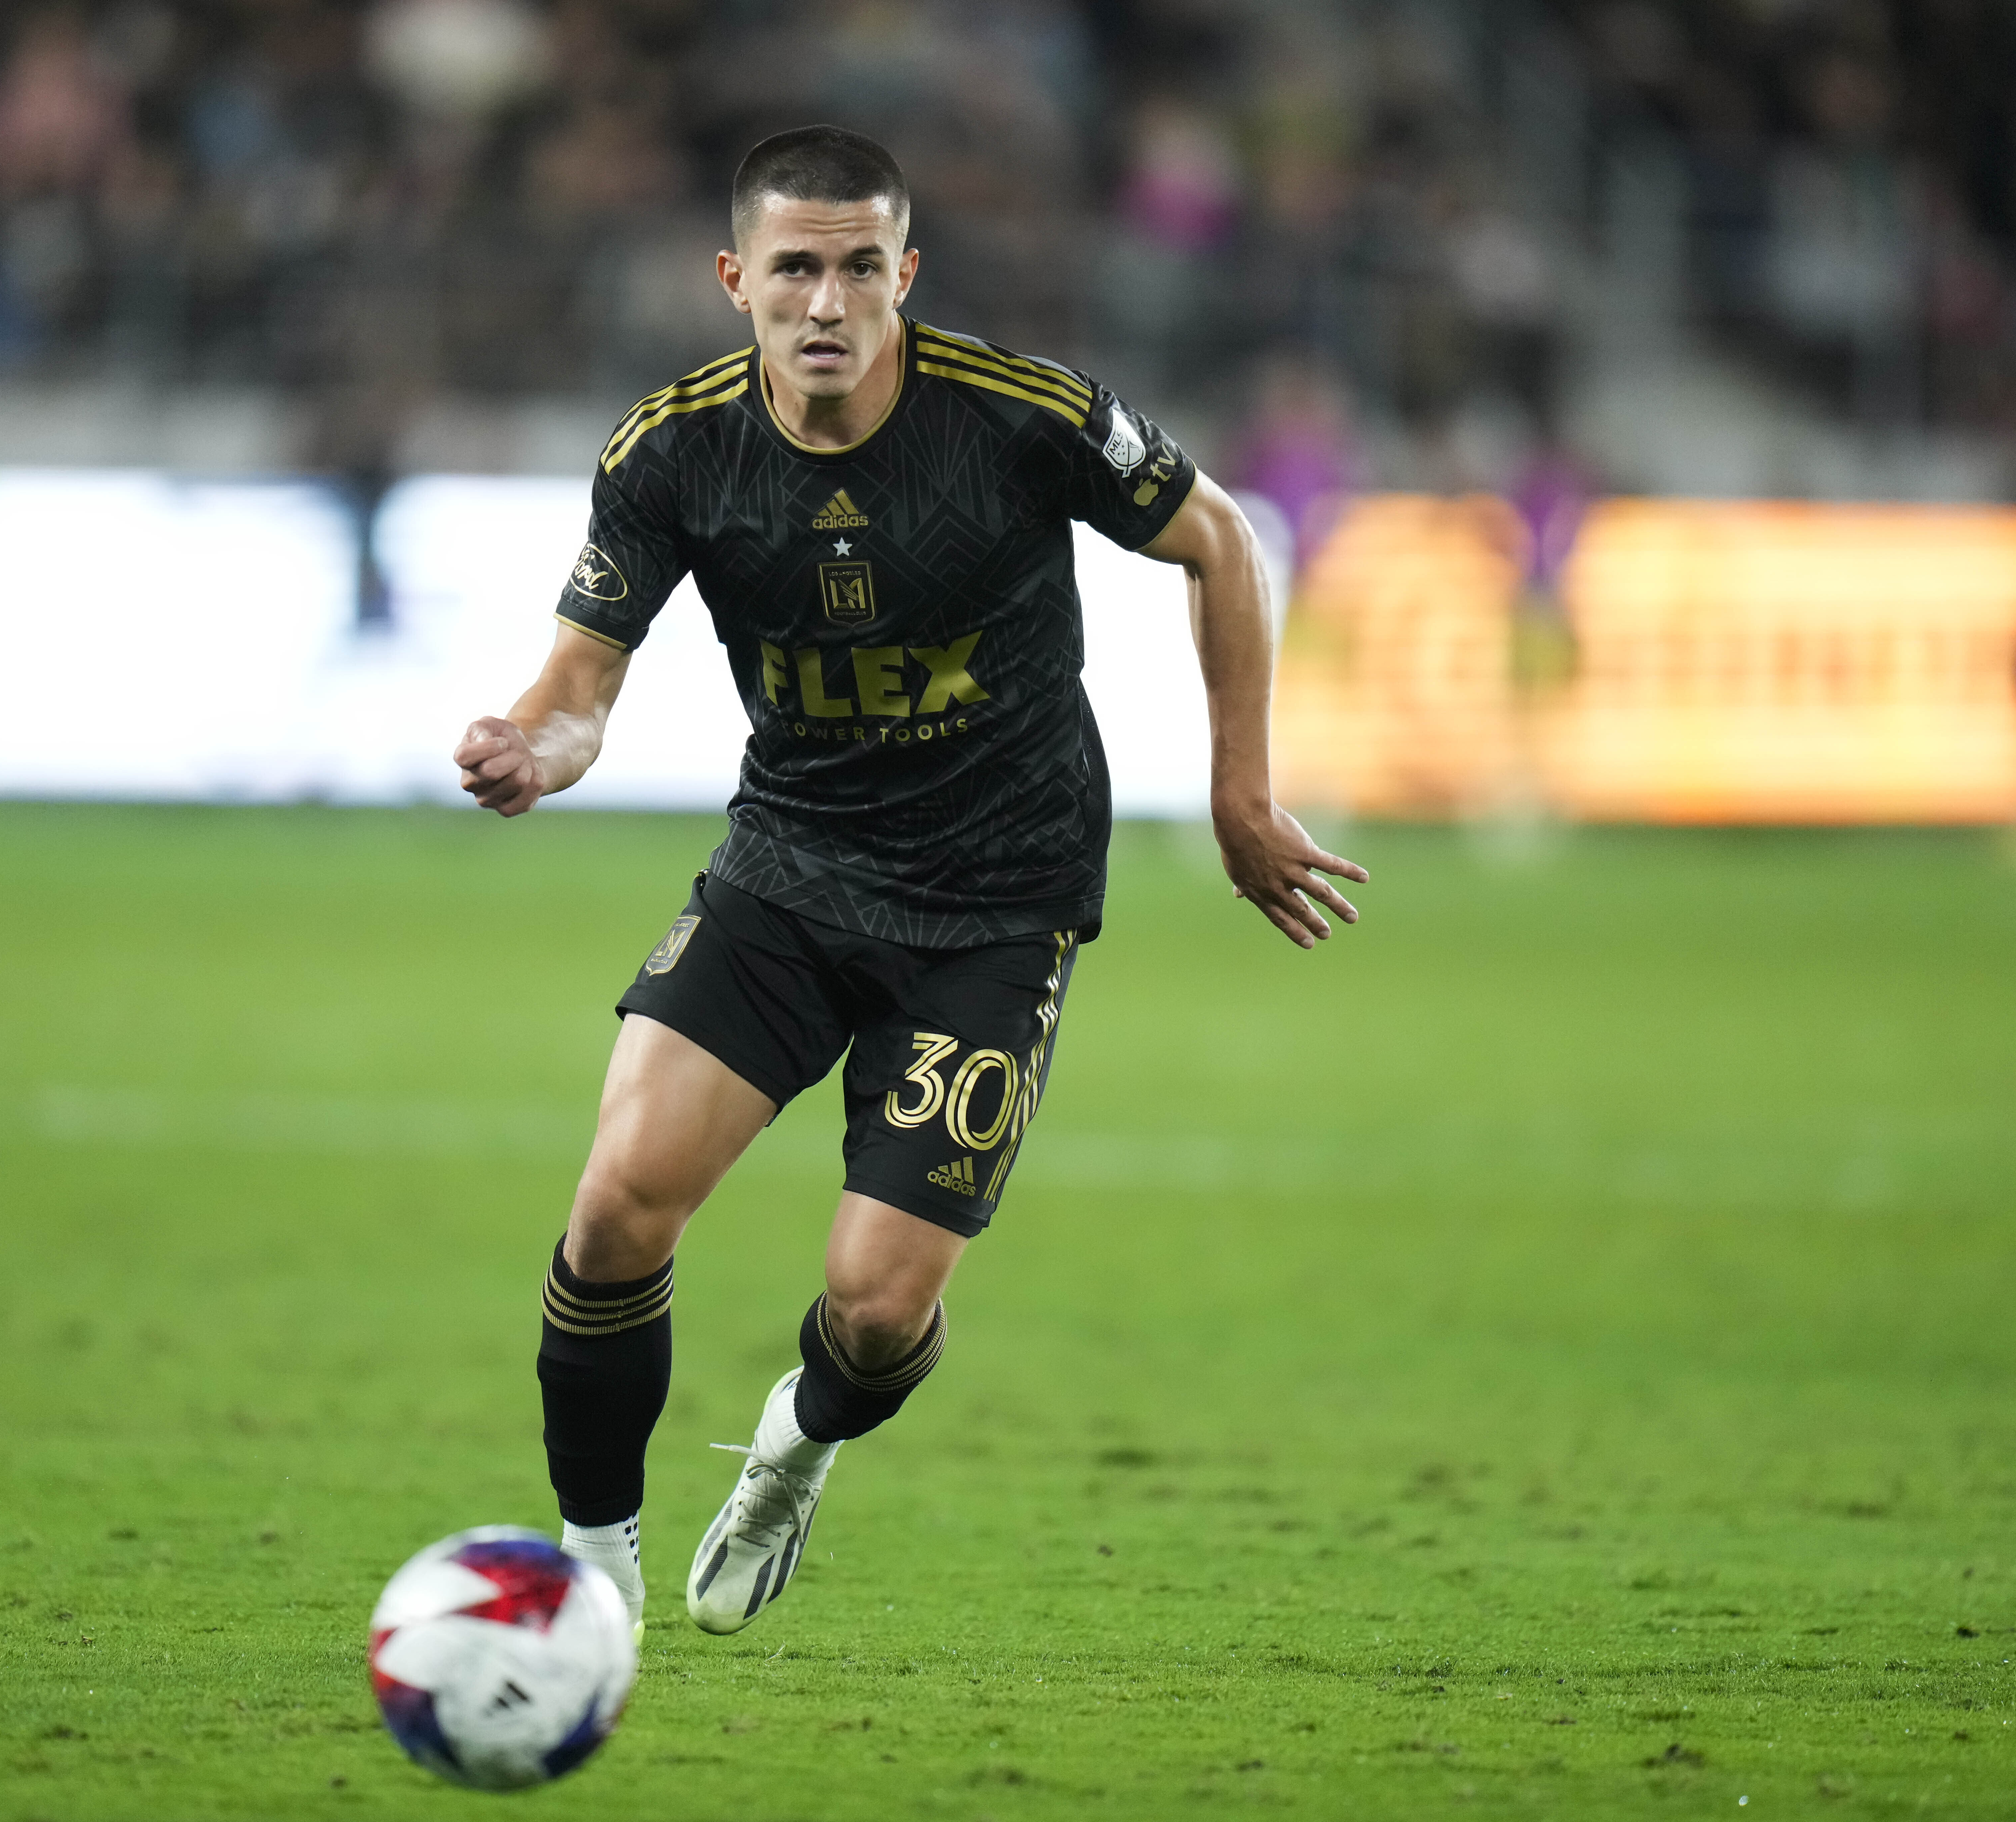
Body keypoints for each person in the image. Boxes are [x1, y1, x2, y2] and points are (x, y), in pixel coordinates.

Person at [451, 126, 1366, 1641]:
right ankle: (589, 1569)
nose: (825, 302)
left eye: (858, 269)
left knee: (876, 1314)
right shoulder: (671, 451)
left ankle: (796, 1447)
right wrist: (534, 751)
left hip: (995, 909)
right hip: (789, 872)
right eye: (794, 270)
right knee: (615, 1206)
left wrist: (1239, 795)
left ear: (904, 276)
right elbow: (577, 683)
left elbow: (1219, 540)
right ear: (735, 279)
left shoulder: (1015, 418)